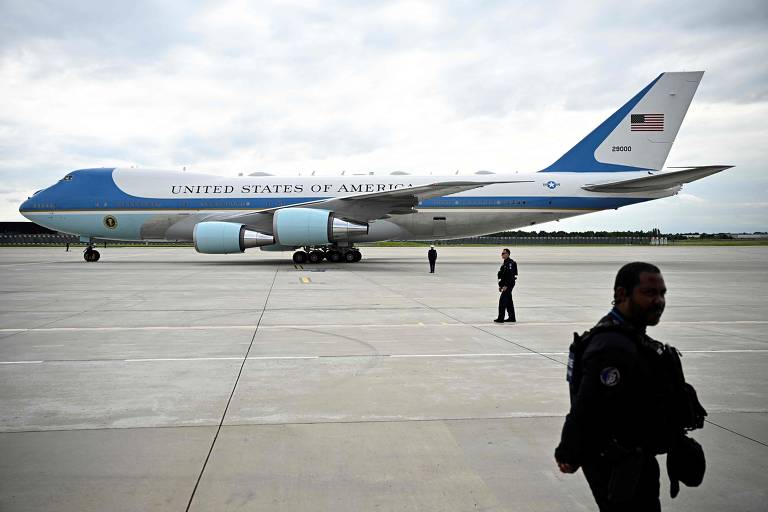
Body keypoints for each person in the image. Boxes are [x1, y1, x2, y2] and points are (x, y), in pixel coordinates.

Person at [554, 262, 706, 511]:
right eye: (649, 293)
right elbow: (586, 408)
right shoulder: (611, 347)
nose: (659, 301)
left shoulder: (630, 336)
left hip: (635, 458)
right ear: (622, 294)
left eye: (662, 293)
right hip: (618, 464)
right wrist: (569, 453)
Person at [494, 248, 517, 323]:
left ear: (508, 254)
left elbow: (510, 276)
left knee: (502, 301)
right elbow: (502, 276)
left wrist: (506, 286)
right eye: (502, 253)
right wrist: (500, 286)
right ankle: (512, 317)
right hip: (506, 285)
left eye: (504, 253)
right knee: (509, 301)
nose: (502, 255)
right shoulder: (505, 263)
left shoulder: (510, 263)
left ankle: (500, 318)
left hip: (509, 285)